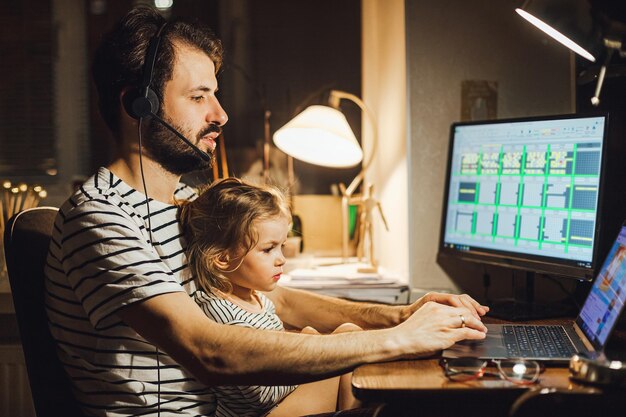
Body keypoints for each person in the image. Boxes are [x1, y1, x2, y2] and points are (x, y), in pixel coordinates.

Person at [44, 5, 489, 417]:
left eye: (215, 95)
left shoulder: (184, 203)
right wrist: (398, 340)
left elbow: (272, 297)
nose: (221, 114)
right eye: (199, 97)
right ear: (137, 105)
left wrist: (400, 315)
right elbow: (208, 350)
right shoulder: (101, 217)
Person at [179, 177, 363, 416]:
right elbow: (260, 394)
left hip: (281, 403)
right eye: (268, 249)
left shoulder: (257, 299)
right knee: (346, 342)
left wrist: (307, 347)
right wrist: (310, 350)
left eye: (282, 246)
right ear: (223, 258)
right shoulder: (219, 311)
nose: (281, 259)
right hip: (265, 412)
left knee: (347, 337)